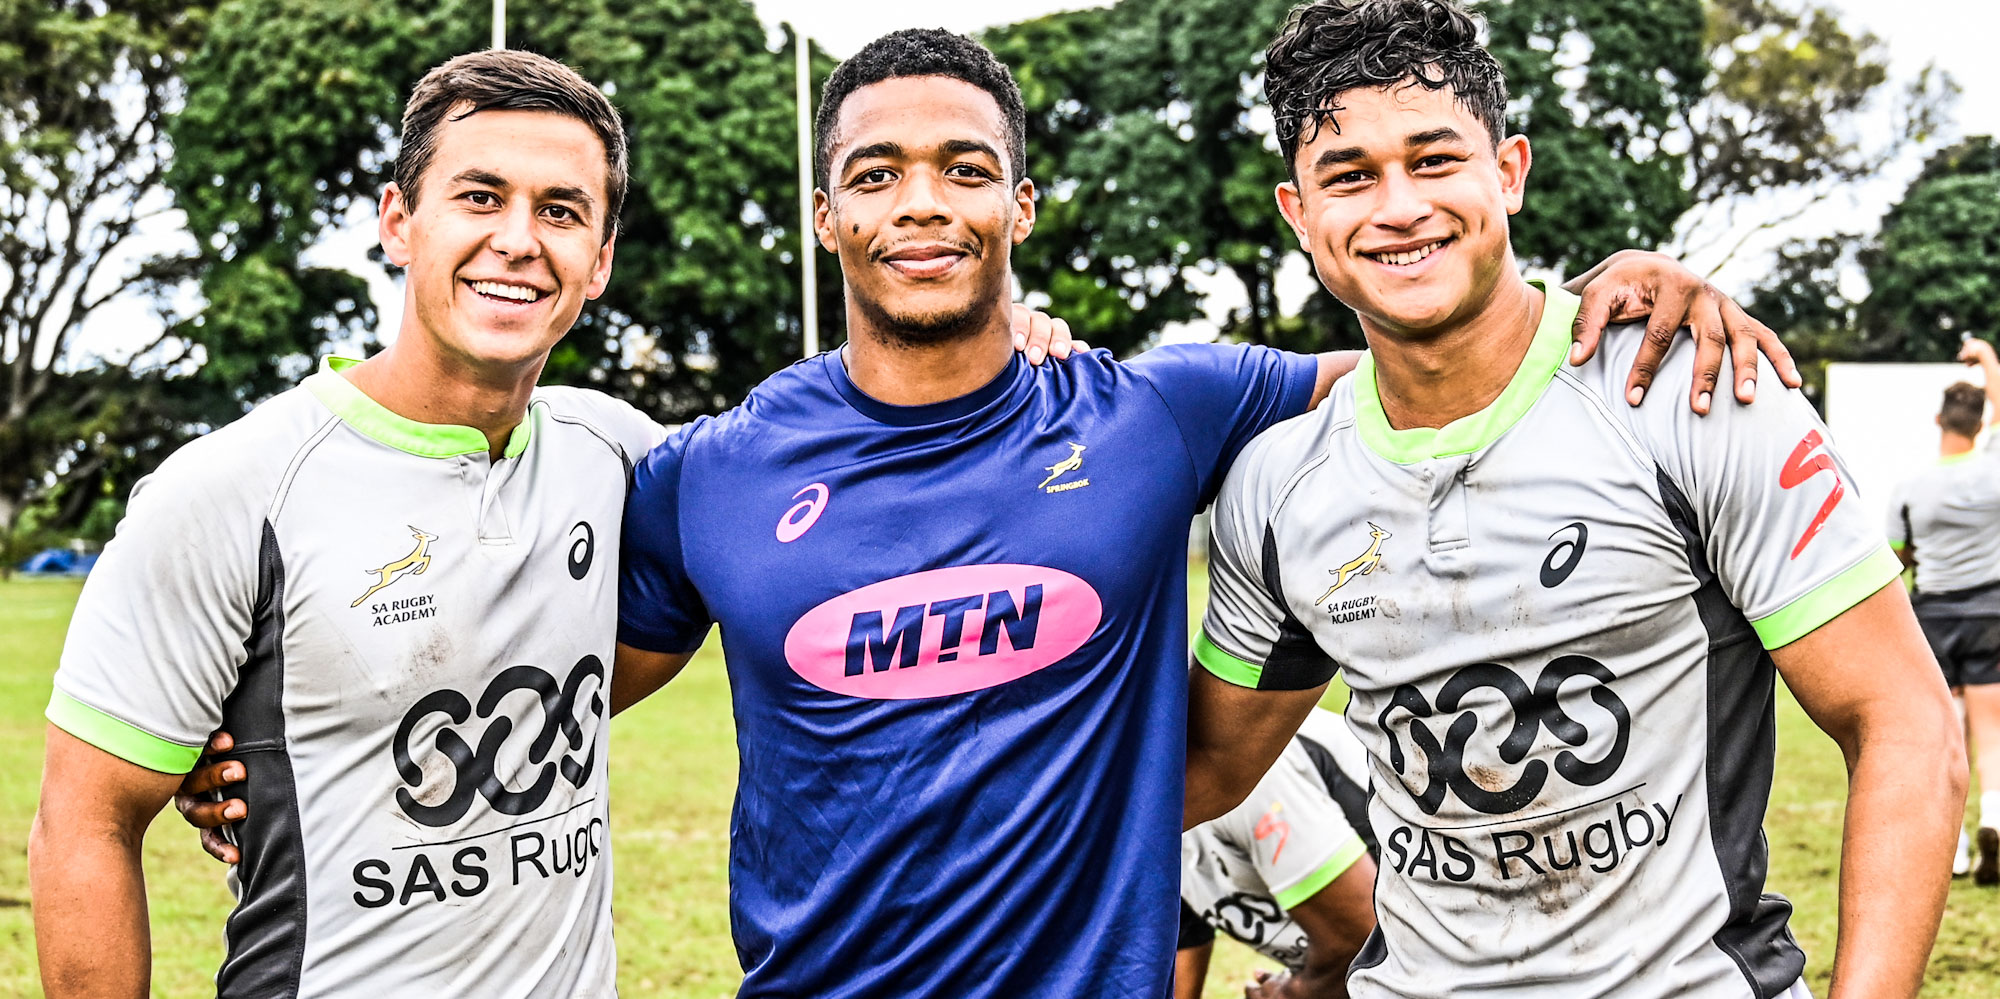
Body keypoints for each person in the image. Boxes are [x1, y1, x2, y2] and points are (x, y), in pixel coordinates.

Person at [166, 29, 1794, 998]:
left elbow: (1431, 352)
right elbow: (544, 674)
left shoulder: (1165, 406)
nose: (921, 202)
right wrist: (287, 753)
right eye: (877, 173)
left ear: (1019, 200)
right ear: (826, 214)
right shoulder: (710, 470)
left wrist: (1611, 286)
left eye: (962, 167)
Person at [27, 48, 1083, 997]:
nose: (518, 242)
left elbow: (816, 463)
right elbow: (84, 821)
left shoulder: (619, 455)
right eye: (480, 197)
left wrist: (1007, 331)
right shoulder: (230, 490)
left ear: (601, 258)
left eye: (562, 210)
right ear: (398, 221)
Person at [1195, 2, 1966, 998]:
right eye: (1349, 175)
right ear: (1297, 213)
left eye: (1433, 160)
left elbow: (1902, 721)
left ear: (1507, 171)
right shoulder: (1274, 482)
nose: (1396, 206)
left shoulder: (1689, 394)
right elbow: (1199, 774)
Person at [1887, 337, 2000, 884]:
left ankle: (1952, 848)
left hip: (1933, 615)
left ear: (1939, 419)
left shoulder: (1911, 486)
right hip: (1992, 613)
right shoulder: (1993, 472)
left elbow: (1896, 556)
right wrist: (1988, 361)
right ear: (1981, 426)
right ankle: (1996, 818)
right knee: (1993, 728)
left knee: (1947, 733)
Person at [1177, 707, 1377, 999]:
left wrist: (1295, 992)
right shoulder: (1133, 824)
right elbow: (1177, 958)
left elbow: (1361, 938)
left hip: (1443, 956)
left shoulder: (1240, 769)